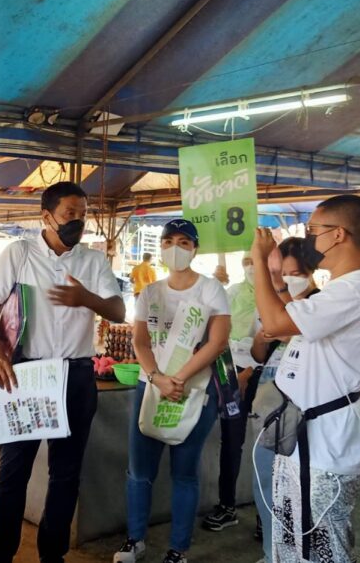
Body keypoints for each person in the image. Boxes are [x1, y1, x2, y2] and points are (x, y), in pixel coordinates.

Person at [0, 181, 125, 563]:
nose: (78, 221)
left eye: (83, 214)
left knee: (66, 474)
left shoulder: (92, 261)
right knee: (13, 473)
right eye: (69, 214)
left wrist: (85, 298)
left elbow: (118, 311)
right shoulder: (21, 253)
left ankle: (52, 555)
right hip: (27, 373)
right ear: (47, 216)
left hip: (76, 375)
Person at [250, 194, 360, 563]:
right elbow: (280, 327)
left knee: (322, 549)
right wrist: (274, 279)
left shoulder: (355, 288)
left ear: (338, 234)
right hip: (305, 438)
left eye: (313, 230)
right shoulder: (342, 288)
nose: (308, 238)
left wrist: (260, 260)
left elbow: (275, 322)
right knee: (293, 545)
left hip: (326, 445)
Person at [114, 218, 232, 563]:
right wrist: (157, 378)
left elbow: (218, 342)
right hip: (151, 387)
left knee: (184, 470)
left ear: (195, 248)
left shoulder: (211, 290)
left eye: (184, 242)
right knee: (139, 470)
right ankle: (134, 540)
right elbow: (140, 341)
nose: (175, 248)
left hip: (194, 389)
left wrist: (177, 378)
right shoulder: (151, 292)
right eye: (168, 241)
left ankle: (178, 549)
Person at [246, 237, 319, 563]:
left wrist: (280, 316)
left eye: (295, 273)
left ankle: (298, 554)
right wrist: (263, 337)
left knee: (301, 490)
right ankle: (271, 552)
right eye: (281, 273)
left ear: (311, 272)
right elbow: (258, 353)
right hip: (269, 404)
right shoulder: (271, 305)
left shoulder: (318, 305)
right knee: (265, 482)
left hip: (303, 409)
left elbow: (296, 332)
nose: (287, 280)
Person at [202, 253, 259, 534]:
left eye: (256, 260)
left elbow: (275, 340)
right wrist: (214, 284)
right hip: (228, 371)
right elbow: (212, 321)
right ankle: (227, 506)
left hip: (260, 375)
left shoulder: (277, 296)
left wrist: (250, 371)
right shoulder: (234, 291)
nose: (251, 266)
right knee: (232, 440)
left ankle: (267, 516)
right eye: (247, 261)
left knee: (269, 447)